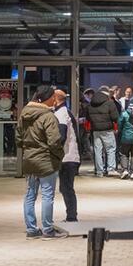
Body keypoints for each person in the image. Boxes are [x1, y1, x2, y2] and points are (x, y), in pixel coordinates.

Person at [17, 85, 65, 239]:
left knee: (30, 195)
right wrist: (59, 155)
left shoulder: (24, 114)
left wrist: (28, 149)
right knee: (47, 195)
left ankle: (31, 230)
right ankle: (47, 230)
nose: (54, 100)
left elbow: (18, 138)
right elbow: (54, 141)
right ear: (49, 98)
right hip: (46, 161)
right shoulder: (48, 116)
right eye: (53, 97)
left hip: (29, 160)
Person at [53, 89, 81, 222]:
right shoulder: (66, 112)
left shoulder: (61, 113)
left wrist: (55, 152)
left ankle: (71, 217)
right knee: (66, 188)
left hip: (67, 157)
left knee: (66, 188)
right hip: (71, 156)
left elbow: (62, 135)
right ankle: (71, 215)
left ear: (56, 99)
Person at [87, 85, 119, 177]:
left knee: (97, 150)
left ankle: (99, 171)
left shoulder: (91, 103)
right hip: (107, 129)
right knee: (110, 149)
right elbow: (115, 117)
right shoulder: (109, 103)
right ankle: (111, 169)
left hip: (95, 130)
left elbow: (88, 117)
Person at [117, 103, 133, 179]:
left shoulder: (124, 114)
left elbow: (119, 124)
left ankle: (125, 170)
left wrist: (120, 132)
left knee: (124, 154)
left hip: (125, 137)